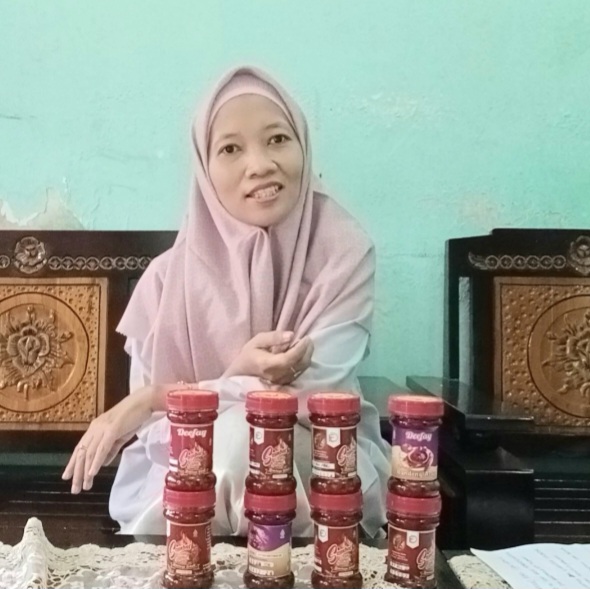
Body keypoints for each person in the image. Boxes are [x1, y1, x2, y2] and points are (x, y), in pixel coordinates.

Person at [62, 65, 390, 537]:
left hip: (319, 460)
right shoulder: (165, 281)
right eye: (231, 149)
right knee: (227, 444)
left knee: (248, 440)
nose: (260, 164)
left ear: (302, 145)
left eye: (278, 139)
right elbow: (162, 433)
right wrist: (238, 379)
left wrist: (155, 398)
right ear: (204, 168)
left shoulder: (345, 252)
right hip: (186, 474)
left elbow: (317, 394)